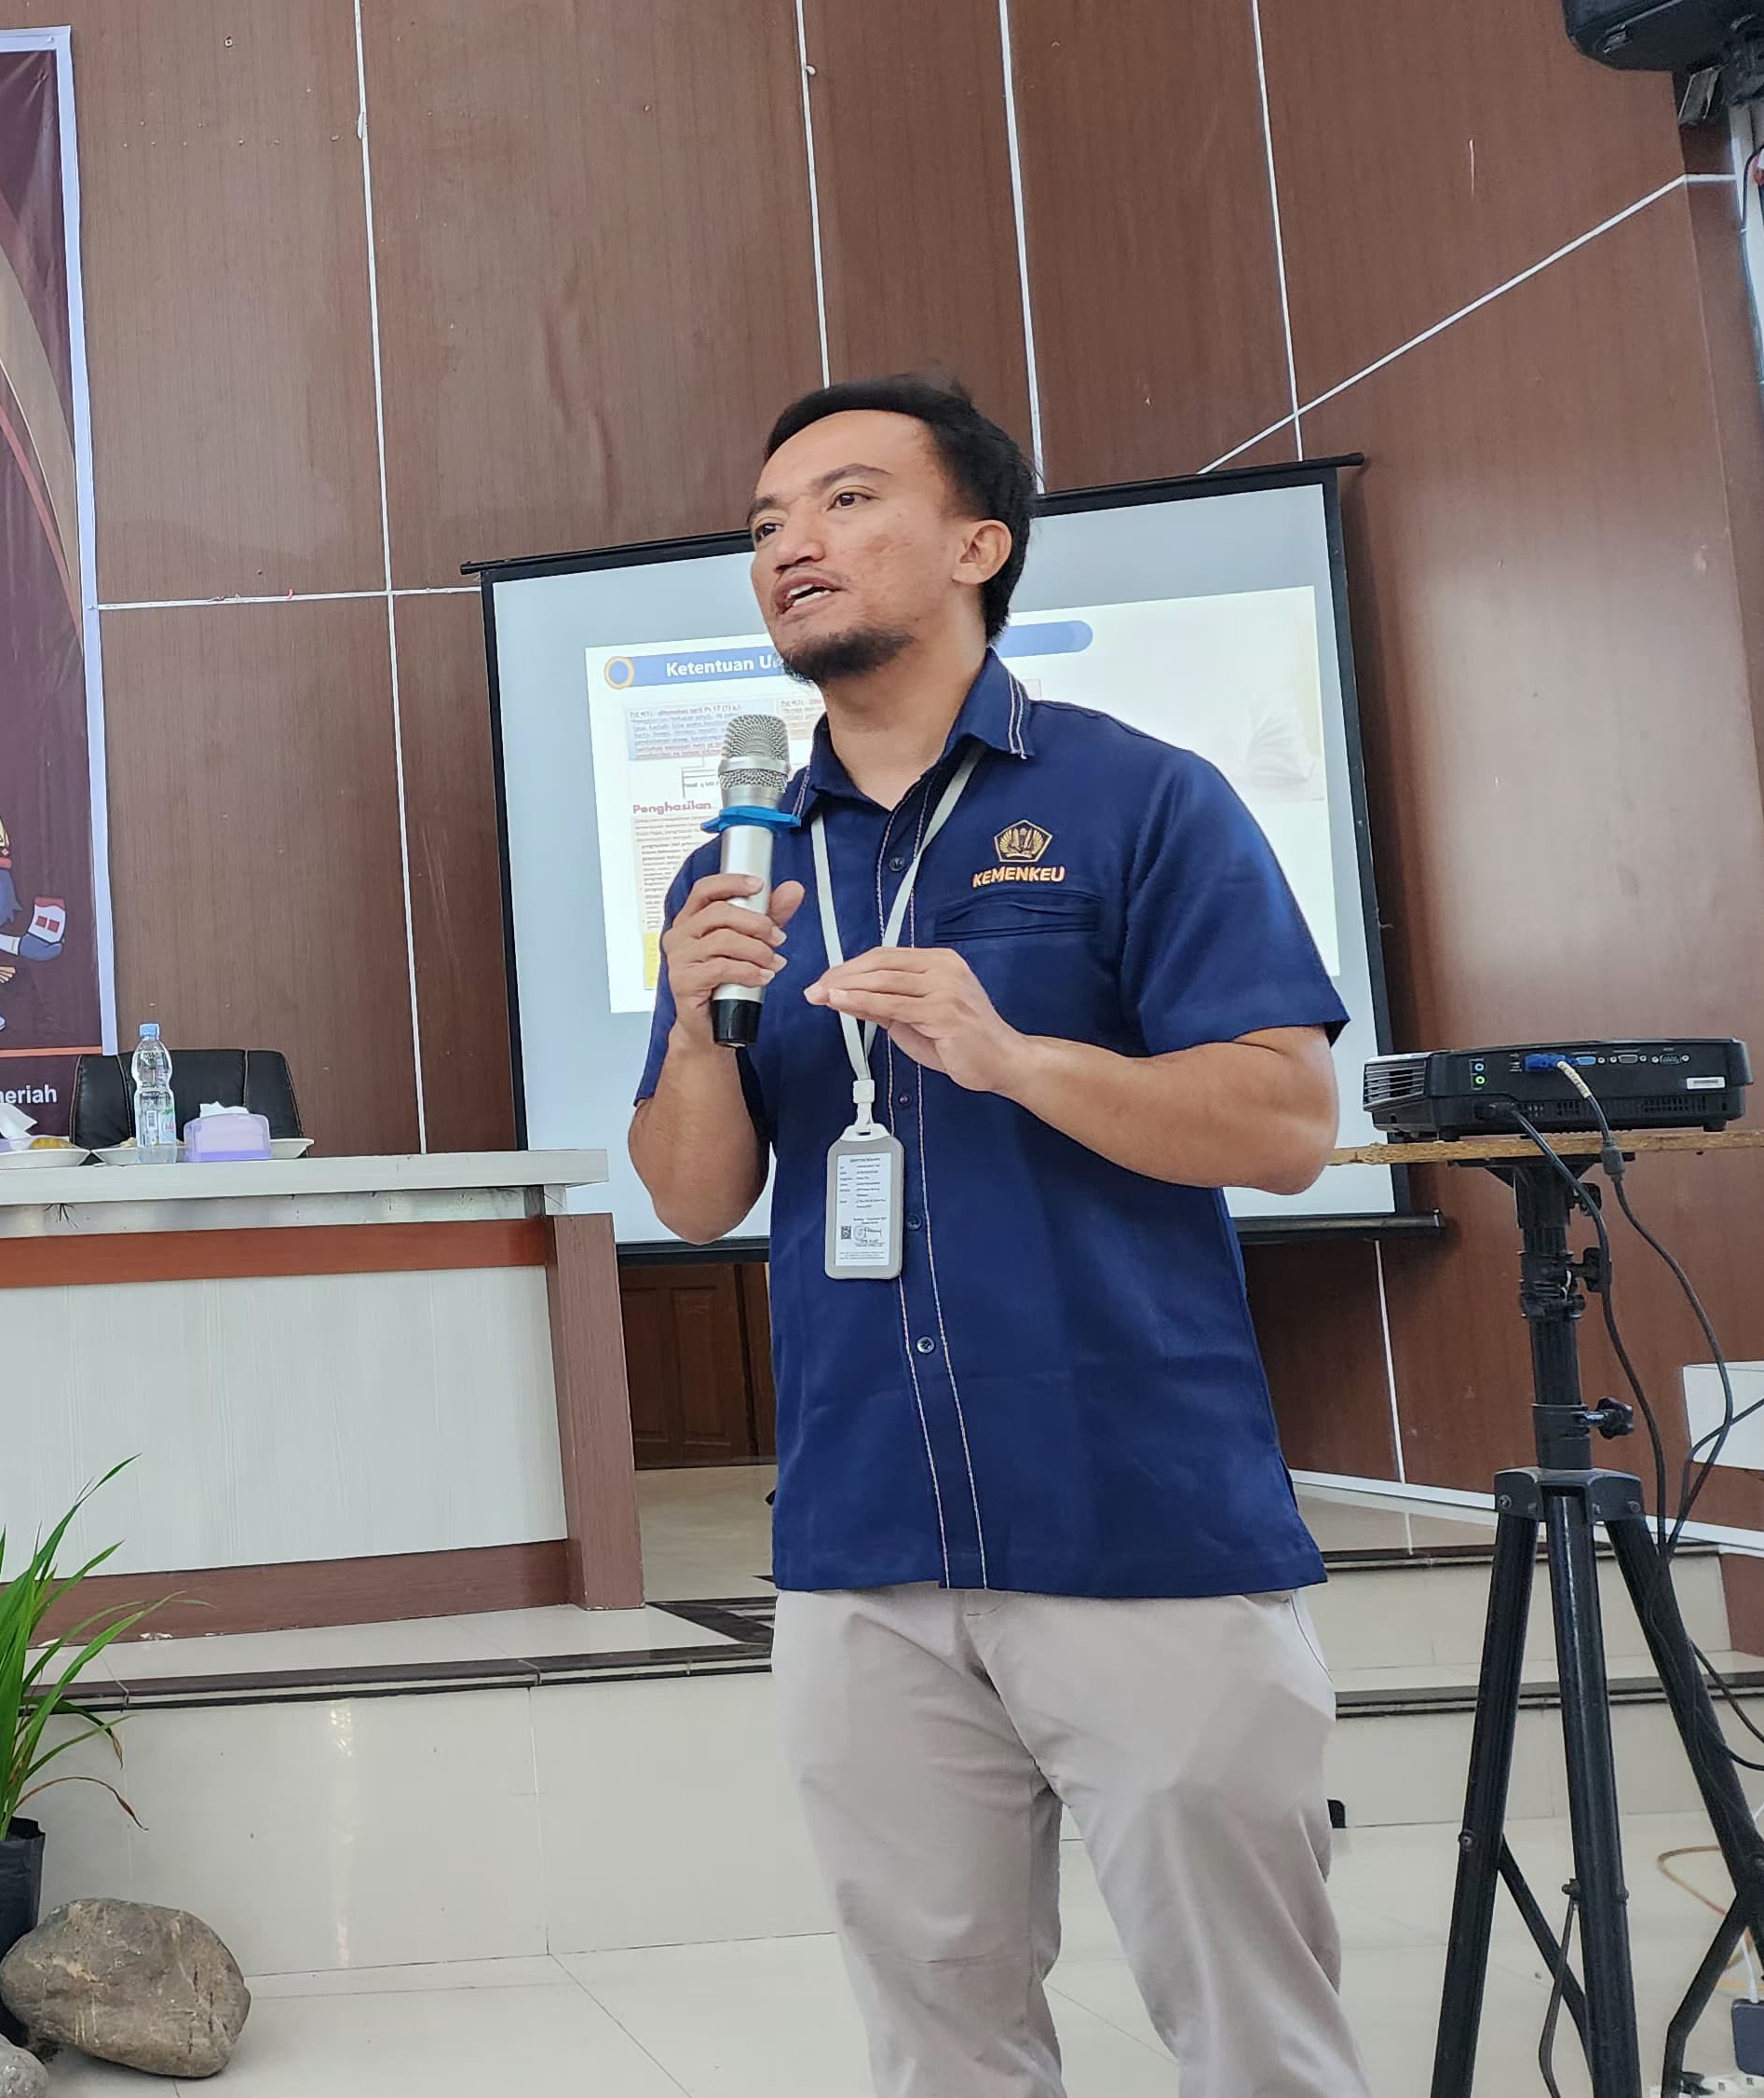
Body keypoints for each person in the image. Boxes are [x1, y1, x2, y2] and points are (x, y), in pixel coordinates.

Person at [626, 375, 1367, 2098]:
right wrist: (694, 1031)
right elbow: (692, 1196)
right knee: (940, 2046)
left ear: (980, 545)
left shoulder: (1141, 799)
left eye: (847, 500)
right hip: (864, 1535)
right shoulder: (741, 862)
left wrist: (1018, 1057)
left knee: (1257, 2039)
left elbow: (1284, 1124)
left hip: (1139, 1517)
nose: (791, 545)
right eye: (765, 523)